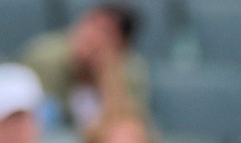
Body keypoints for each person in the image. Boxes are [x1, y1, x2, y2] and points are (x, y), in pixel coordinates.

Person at [21, 2, 147, 131]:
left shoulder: (131, 75)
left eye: (106, 33)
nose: (92, 36)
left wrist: (108, 77)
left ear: (123, 46)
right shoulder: (44, 57)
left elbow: (129, 131)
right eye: (91, 24)